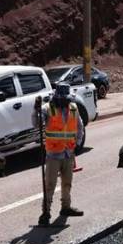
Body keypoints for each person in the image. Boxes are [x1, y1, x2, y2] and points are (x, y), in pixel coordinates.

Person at [33, 84, 85, 226]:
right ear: (57, 97)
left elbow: (80, 127)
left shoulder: (73, 108)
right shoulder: (47, 108)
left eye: (67, 99)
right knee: (50, 185)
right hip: (54, 154)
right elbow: (36, 123)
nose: (66, 102)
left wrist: (78, 143)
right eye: (63, 99)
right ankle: (46, 212)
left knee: (67, 183)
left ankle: (66, 208)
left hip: (69, 153)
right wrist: (35, 110)